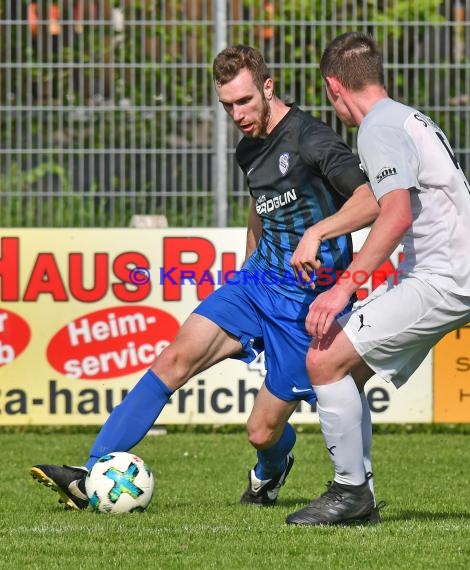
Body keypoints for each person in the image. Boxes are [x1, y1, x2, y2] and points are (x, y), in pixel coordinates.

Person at [31, 45, 379, 510]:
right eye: (227, 106)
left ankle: (270, 473)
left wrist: (317, 232)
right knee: (174, 358)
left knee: (261, 432)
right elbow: (261, 208)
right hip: (256, 288)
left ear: (267, 87)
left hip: (306, 307)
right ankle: (91, 472)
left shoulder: (312, 139)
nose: (236, 114)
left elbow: (371, 200)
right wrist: (247, 269)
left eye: (244, 102)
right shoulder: (249, 149)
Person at [285, 32, 470, 526]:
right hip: (455, 273)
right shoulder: (403, 117)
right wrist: (324, 233)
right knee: (346, 369)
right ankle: (359, 492)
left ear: (334, 86)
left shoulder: (377, 128)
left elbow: (395, 214)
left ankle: (349, 493)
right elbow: (394, 207)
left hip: (445, 276)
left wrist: (342, 287)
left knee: (323, 359)